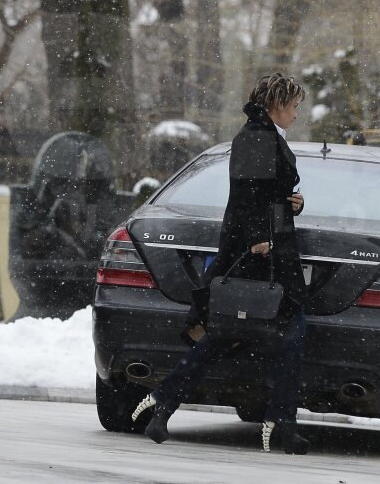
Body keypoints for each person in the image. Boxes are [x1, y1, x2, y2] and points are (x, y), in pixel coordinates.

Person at [132, 72, 310, 454]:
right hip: (259, 255)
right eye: (294, 105)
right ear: (276, 104)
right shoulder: (256, 138)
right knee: (285, 329)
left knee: (228, 333)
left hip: (266, 250)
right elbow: (247, 194)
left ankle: (164, 400)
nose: (297, 113)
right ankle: (281, 421)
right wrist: (259, 238)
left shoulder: (265, 136)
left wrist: (290, 203)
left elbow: (264, 191)